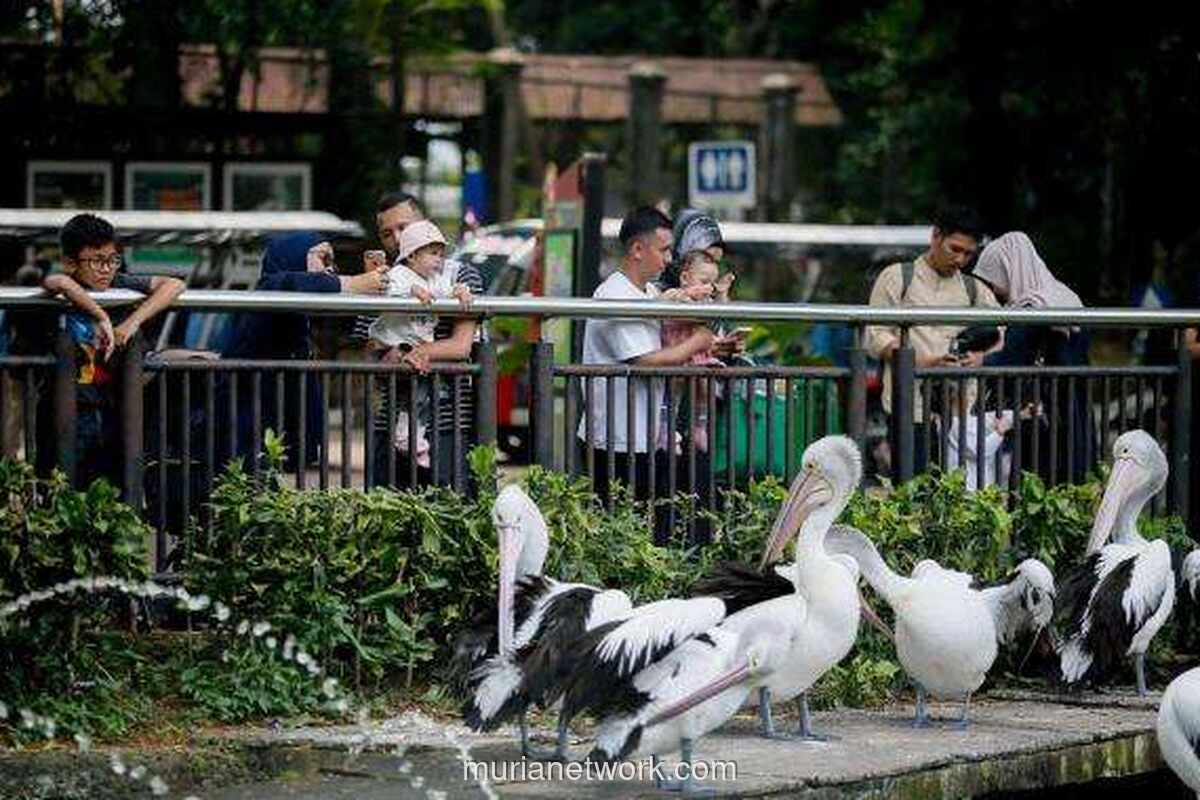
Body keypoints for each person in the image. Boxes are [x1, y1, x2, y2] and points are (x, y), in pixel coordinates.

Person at [578, 206, 740, 544]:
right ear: (638, 249)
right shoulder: (614, 295)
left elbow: (670, 346)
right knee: (619, 534)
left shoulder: (650, 294)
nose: (669, 259)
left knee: (651, 533)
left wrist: (712, 348)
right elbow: (645, 362)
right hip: (616, 439)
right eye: (664, 250)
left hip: (645, 436)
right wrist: (698, 340)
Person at [218, 231, 387, 471]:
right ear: (294, 257)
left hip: (271, 437)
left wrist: (377, 285)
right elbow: (286, 284)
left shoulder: (300, 313)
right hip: (244, 435)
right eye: (323, 258)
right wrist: (353, 283)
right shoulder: (269, 292)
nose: (331, 269)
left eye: (332, 261)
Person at [40, 213, 185, 487]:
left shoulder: (120, 285)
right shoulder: (61, 287)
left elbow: (175, 285)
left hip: (112, 411)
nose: (106, 269)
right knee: (60, 489)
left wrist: (130, 323)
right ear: (71, 262)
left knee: (114, 490)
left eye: (112, 259)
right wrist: (101, 315)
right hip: (66, 413)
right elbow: (59, 283)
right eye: (96, 261)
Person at [358, 192, 485, 489]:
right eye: (387, 233)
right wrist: (392, 354)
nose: (396, 238)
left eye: (404, 227)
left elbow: (460, 346)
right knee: (387, 519)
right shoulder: (384, 282)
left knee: (447, 515)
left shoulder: (460, 275)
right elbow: (368, 350)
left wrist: (411, 353)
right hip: (388, 420)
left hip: (448, 420)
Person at [864, 204, 1000, 474]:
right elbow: (876, 335)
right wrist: (924, 361)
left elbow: (1003, 332)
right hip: (909, 404)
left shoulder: (975, 289)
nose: (960, 259)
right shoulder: (897, 278)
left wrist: (980, 358)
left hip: (961, 409)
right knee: (911, 488)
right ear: (935, 236)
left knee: (958, 491)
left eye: (968, 254)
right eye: (955, 249)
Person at [974, 231, 1092, 482]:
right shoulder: (1064, 296)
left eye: (993, 280)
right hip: (1074, 406)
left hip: (1043, 415)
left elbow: (1012, 361)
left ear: (1008, 270)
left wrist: (979, 361)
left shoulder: (1032, 308)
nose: (993, 290)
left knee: (1037, 485)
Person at [658, 247, 735, 453]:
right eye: (703, 281)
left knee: (705, 384)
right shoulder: (675, 293)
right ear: (685, 277)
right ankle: (666, 428)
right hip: (677, 350)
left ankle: (700, 426)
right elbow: (665, 303)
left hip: (699, 354)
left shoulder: (707, 301)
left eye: (711, 283)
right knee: (673, 388)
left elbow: (719, 313)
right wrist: (688, 293)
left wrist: (722, 294)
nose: (708, 287)